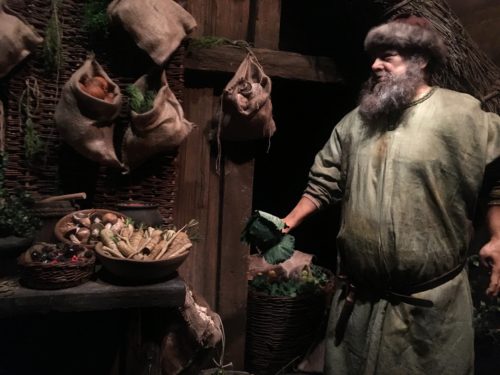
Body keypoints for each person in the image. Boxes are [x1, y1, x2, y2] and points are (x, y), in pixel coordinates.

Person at [282, 16, 500, 375]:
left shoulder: (464, 116)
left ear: (421, 59)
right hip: (358, 307)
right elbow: (324, 182)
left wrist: (496, 236)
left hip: (429, 311)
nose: (374, 65)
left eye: (388, 56)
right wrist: (287, 221)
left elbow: (498, 177)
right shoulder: (357, 122)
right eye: (374, 56)